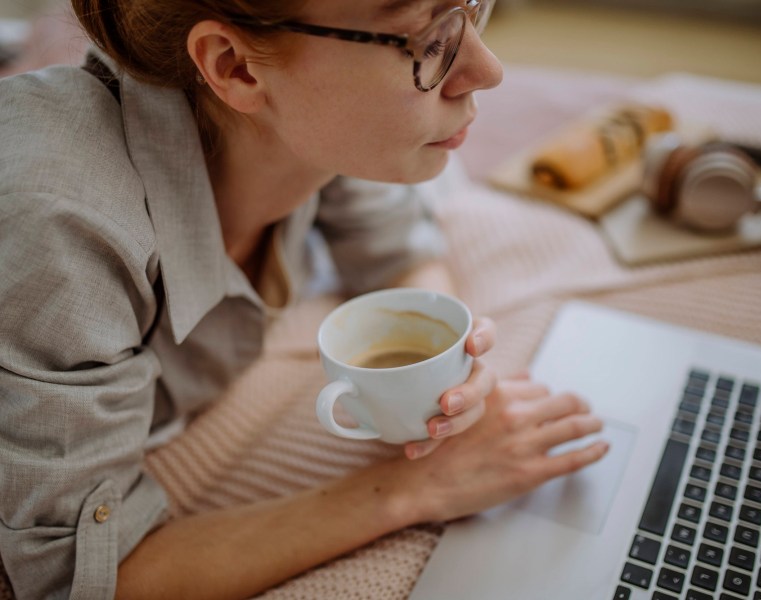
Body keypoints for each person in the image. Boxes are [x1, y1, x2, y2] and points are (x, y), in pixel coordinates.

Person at [0, 1, 609, 598]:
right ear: (235, 67)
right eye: (428, 40)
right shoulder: (59, 222)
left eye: (471, 8)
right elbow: (81, 575)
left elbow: (396, 251)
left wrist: (435, 381)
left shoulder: (316, 133)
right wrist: (415, 488)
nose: (488, 69)